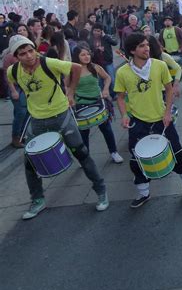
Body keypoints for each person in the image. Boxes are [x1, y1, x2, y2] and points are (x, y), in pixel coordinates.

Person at [6, 35, 109, 219]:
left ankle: (101, 190)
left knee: (82, 153)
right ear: (16, 56)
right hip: (36, 120)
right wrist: (13, 90)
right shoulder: (13, 71)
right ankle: (37, 200)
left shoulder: (48, 63)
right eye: (23, 53)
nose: (29, 55)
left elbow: (76, 68)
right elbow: (9, 79)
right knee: (30, 163)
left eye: (31, 50)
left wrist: (70, 92)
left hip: (61, 115)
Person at [115, 33, 182, 208]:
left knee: (178, 152)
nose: (146, 48)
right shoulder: (122, 72)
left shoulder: (160, 65)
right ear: (132, 50)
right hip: (138, 122)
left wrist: (168, 112)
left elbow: (169, 90)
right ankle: (144, 193)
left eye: (147, 45)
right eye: (141, 46)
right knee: (136, 159)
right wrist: (124, 115)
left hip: (162, 119)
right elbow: (121, 97)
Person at [71, 45, 123, 164]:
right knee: (84, 133)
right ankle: (85, 157)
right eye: (83, 55)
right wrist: (70, 98)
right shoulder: (73, 70)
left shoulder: (95, 67)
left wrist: (105, 89)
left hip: (98, 102)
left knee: (107, 129)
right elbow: (68, 86)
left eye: (88, 54)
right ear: (77, 57)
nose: (86, 57)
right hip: (81, 105)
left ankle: (114, 152)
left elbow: (108, 78)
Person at [158, 16, 182, 90]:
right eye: (166, 20)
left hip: (178, 53)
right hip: (168, 54)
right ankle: (172, 85)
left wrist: (181, 47)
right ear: (164, 22)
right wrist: (162, 48)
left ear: (172, 22)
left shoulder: (177, 29)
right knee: (170, 70)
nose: (167, 22)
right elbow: (159, 41)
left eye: (169, 20)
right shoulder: (162, 31)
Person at [89, 23, 118, 99]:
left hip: (107, 61)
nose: (96, 33)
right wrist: (96, 50)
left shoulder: (105, 38)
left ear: (101, 31)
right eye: (95, 31)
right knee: (100, 81)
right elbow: (89, 51)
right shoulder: (90, 39)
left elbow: (115, 43)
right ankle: (103, 95)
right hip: (97, 63)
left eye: (98, 31)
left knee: (111, 78)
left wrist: (105, 36)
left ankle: (113, 94)